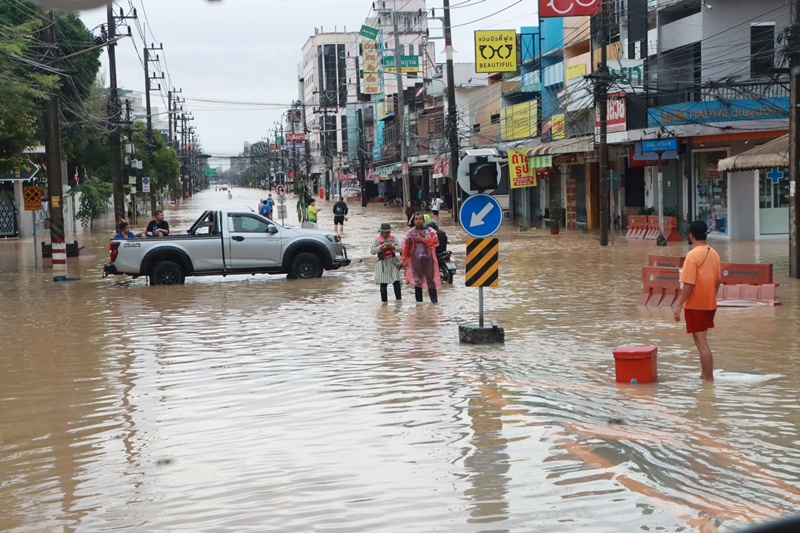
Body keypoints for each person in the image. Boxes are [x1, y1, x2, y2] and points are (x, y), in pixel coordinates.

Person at [672, 220, 722, 381]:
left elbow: (688, 283)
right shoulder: (714, 254)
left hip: (697, 305)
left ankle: (708, 378)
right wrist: (711, 296)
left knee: (701, 343)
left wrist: (679, 304)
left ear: (691, 236)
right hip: (709, 304)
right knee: (702, 341)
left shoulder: (692, 255)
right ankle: (705, 374)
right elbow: (718, 280)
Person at [401, 212, 441, 303]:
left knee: (430, 280)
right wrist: (404, 259)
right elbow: (405, 246)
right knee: (417, 281)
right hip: (415, 261)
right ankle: (419, 304)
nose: (418, 221)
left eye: (420, 219)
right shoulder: (410, 232)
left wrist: (422, 240)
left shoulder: (430, 231)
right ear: (414, 221)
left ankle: (434, 302)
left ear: (423, 220)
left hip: (428, 259)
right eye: (416, 219)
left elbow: (435, 241)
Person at [371, 222, 402, 303]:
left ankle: (399, 301)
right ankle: (384, 304)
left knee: (396, 282)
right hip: (382, 263)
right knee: (383, 284)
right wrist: (380, 247)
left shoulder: (394, 239)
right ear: (381, 232)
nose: (388, 233)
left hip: (393, 262)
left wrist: (393, 247)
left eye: (389, 232)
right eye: (386, 232)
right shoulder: (377, 240)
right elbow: (372, 251)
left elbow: (401, 249)